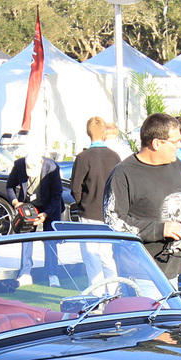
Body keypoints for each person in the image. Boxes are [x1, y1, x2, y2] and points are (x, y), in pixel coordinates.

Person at [105, 113, 181, 280]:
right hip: (139, 272)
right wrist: (161, 229)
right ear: (157, 143)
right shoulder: (123, 174)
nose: (180, 146)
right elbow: (113, 220)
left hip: (172, 269)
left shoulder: (177, 165)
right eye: (175, 142)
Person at [70, 116, 123, 282]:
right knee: (107, 256)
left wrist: (81, 203)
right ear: (104, 133)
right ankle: (114, 293)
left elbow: (75, 187)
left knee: (91, 256)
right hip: (109, 213)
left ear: (88, 133)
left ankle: (97, 296)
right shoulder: (114, 156)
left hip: (89, 213)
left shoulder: (83, 157)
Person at [5, 140, 64, 285]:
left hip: (49, 206)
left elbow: (57, 194)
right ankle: (25, 272)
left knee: (50, 239)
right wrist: (15, 202)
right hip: (28, 207)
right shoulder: (19, 165)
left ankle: (52, 274)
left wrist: (45, 214)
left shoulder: (52, 167)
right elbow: (10, 186)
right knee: (26, 238)